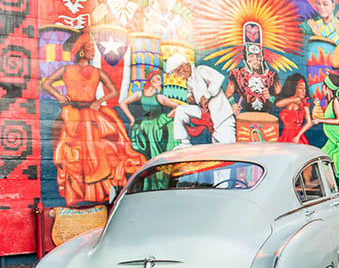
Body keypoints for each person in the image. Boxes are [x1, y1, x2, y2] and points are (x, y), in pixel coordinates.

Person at [39, 33, 145, 206]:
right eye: (90, 48)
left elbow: (113, 91)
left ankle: (99, 193)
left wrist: (99, 101)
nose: (93, 52)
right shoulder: (67, 70)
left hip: (93, 113)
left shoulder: (97, 72)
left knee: (103, 151)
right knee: (74, 153)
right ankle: (79, 193)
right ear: (81, 51)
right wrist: (59, 96)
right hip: (72, 113)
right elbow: (46, 84)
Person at [167, 54, 236, 146]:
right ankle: (184, 142)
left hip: (220, 116)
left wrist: (207, 95)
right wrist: (190, 96)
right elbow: (191, 90)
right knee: (181, 111)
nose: (180, 77)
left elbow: (219, 78)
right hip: (206, 114)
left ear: (184, 67)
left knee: (226, 147)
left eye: (178, 73)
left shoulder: (201, 70)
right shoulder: (189, 80)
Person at [121, 70, 181, 160]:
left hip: (158, 123)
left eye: (160, 80)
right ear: (151, 80)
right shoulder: (139, 94)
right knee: (148, 131)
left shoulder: (159, 97)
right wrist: (131, 119)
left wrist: (168, 116)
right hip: (145, 124)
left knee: (165, 128)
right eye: (157, 79)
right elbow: (123, 103)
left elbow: (178, 107)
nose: (160, 83)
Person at [313, 73, 339, 182]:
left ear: (328, 88)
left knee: (336, 168)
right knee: (321, 158)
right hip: (333, 141)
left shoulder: (335, 101)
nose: (321, 88)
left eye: (323, 85)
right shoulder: (330, 102)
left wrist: (320, 120)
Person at [275, 74, 313, 144]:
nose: (303, 91)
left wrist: (298, 136)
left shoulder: (304, 104)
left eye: (304, 88)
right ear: (294, 88)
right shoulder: (289, 101)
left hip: (297, 137)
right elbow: (278, 104)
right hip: (284, 136)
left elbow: (309, 123)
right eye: (300, 88)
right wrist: (295, 99)